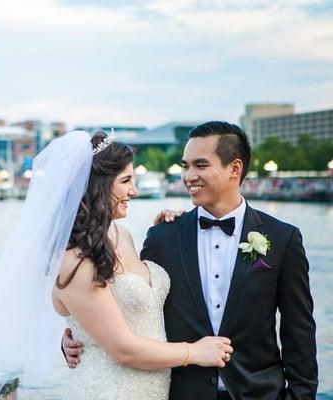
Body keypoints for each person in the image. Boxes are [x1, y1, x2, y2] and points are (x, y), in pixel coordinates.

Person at [0, 129, 231, 400]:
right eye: (125, 181)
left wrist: (168, 233)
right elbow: (122, 349)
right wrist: (194, 352)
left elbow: (135, 305)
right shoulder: (74, 258)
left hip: (151, 389)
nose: (134, 191)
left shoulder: (124, 235)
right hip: (107, 389)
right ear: (98, 186)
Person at [63, 121, 318, 400]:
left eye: (200, 165)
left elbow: (299, 333)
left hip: (260, 394)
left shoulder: (283, 239)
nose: (188, 176)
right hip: (180, 392)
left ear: (235, 168)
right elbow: (128, 307)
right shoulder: (163, 237)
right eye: (185, 166)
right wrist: (79, 338)